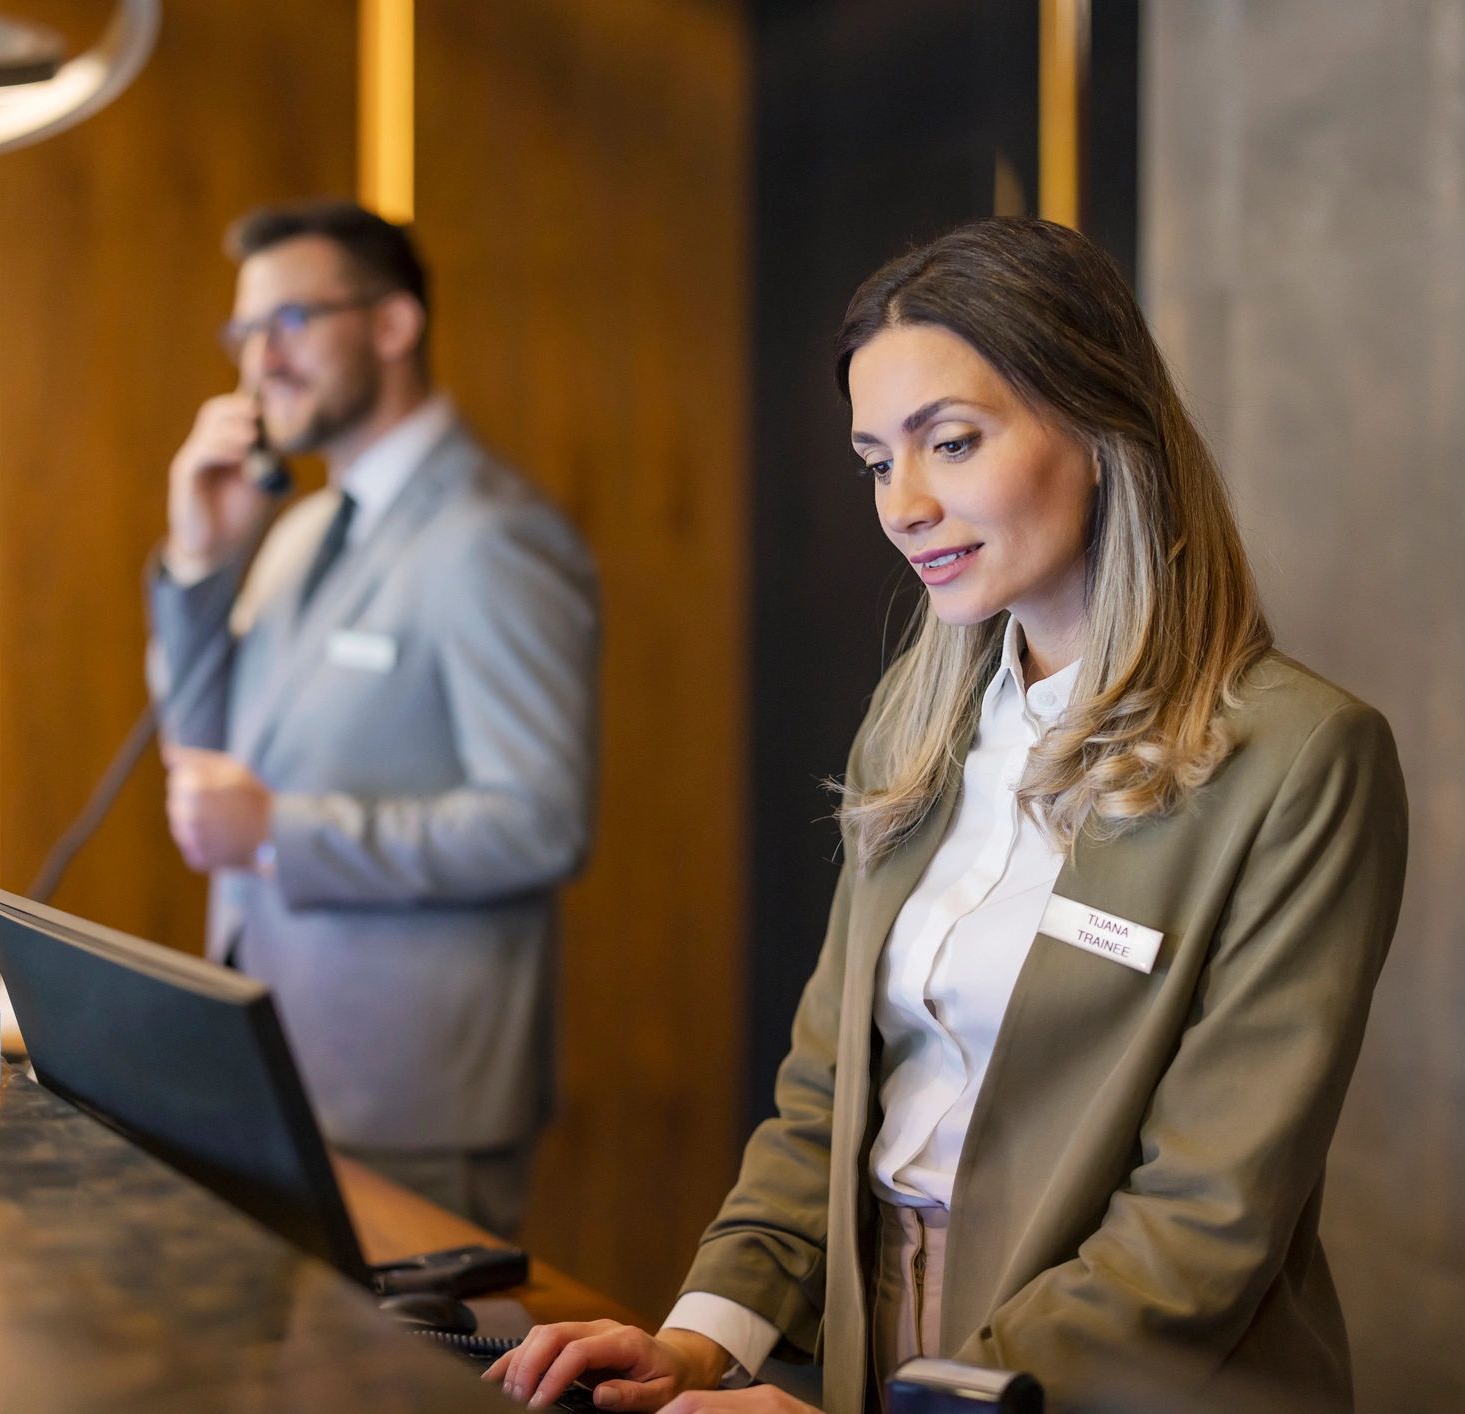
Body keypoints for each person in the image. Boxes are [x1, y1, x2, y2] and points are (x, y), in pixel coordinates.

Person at [489, 218, 1407, 1412]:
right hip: (889, 1333)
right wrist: (702, 1337)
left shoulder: (1301, 758)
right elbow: (826, 1094)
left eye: (951, 443)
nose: (903, 504)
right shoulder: (914, 722)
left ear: (1098, 425)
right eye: (876, 460)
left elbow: (1202, 1223)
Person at [147, 201, 599, 1239]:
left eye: (291, 320)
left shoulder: (494, 537)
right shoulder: (296, 527)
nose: (259, 360)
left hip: (409, 1101)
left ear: (392, 325)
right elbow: (200, 757)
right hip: (267, 1066)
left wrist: (279, 833)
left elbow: (539, 822)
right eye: (243, 333)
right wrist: (199, 560)